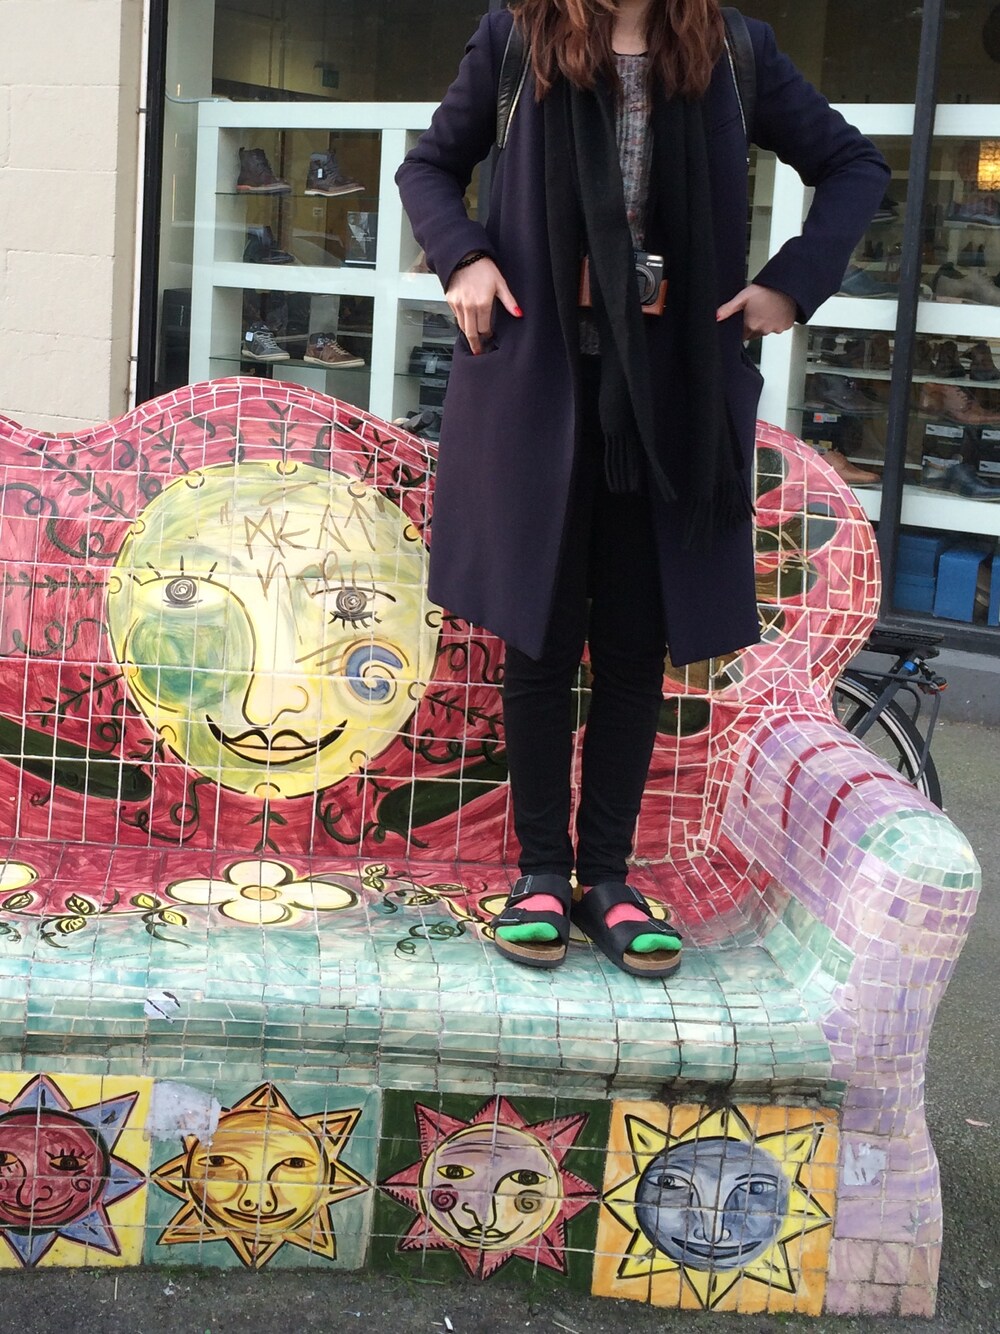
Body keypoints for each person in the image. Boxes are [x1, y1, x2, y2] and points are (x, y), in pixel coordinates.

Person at [396, 0, 889, 979]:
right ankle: (541, 872)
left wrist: (790, 283)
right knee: (539, 638)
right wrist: (465, 256)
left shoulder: (730, 46)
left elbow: (852, 164)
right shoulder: (519, 34)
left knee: (633, 645)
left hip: (669, 392)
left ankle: (607, 880)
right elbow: (429, 167)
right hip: (541, 384)